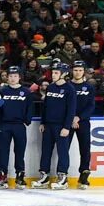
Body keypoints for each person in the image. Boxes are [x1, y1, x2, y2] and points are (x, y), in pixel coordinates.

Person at [32, 62, 75, 190]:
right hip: (48, 126)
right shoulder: (50, 87)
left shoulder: (69, 89)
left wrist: (67, 127)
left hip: (61, 126)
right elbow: (45, 107)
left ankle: (62, 177)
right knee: (46, 151)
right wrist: (43, 122)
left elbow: (71, 110)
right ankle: (44, 176)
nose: (53, 75)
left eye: (56, 73)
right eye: (53, 72)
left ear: (64, 74)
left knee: (62, 152)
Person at [0, 66, 31, 189]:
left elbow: (29, 108)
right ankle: (2, 176)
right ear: (7, 77)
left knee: (20, 152)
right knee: (2, 151)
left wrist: (27, 120)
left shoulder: (26, 92)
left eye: (15, 76)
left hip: (19, 126)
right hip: (4, 126)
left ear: (19, 77)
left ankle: (20, 176)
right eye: (10, 76)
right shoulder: (2, 91)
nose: (13, 78)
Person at [68, 60, 96, 189]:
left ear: (83, 71)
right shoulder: (67, 86)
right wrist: (71, 118)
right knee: (63, 149)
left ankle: (84, 174)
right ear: (71, 71)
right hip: (67, 122)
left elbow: (91, 106)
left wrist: (78, 118)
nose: (78, 72)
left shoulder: (89, 87)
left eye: (80, 70)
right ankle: (62, 173)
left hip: (83, 122)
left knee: (85, 149)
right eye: (75, 70)